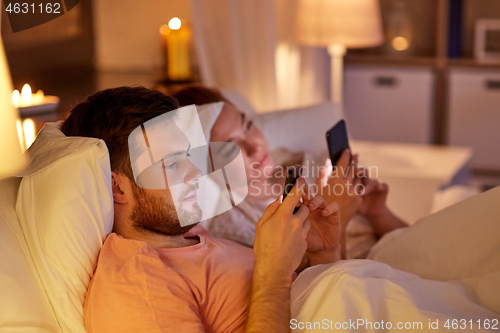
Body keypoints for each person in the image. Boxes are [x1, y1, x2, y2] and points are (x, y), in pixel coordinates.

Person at [62, 86, 343, 332]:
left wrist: (324, 254)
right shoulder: (137, 283)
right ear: (117, 188)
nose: (196, 172)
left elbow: (313, 305)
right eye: (172, 164)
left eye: (187, 155)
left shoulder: (194, 236)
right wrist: (274, 271)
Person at [171, 85, 407, 258]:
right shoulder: (236, 226)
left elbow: (410, 242)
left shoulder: (308, 160)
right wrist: (339, 219)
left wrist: (377, 212)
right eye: (230, 149)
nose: (255, 146)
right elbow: (321, 289)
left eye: (249, 126)